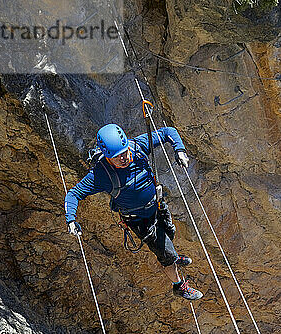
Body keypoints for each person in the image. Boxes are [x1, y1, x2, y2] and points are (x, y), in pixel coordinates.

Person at [64, 123, 203, 300]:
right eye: (117, 157)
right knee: (165, 254)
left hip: (157, 205)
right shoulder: (101, 174)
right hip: (138, 220)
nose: (123, 158)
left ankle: (174, 258)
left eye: (124, 153)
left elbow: (169, 132)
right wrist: (71, 219)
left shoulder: (137, 146)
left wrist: (179, 150)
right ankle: (179, 286)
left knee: (169, 232)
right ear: (107, 157)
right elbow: (74, 194)